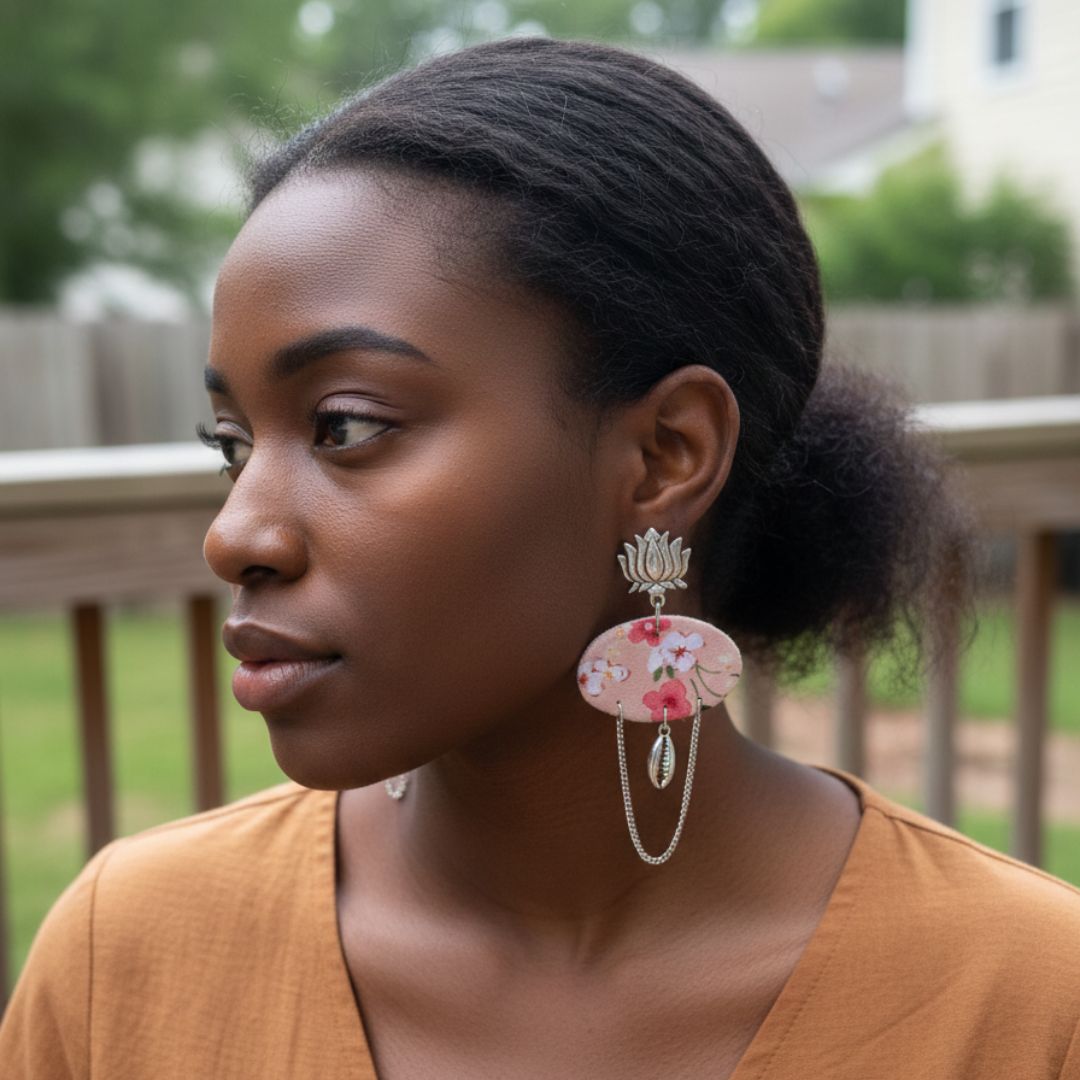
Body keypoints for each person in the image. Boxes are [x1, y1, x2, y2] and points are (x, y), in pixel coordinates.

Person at [2, 35, 1079, 1079]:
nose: (235, 531)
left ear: (665, 455)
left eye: (343, 425)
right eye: (234, 447)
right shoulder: (127, 961)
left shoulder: (1030, 1004)